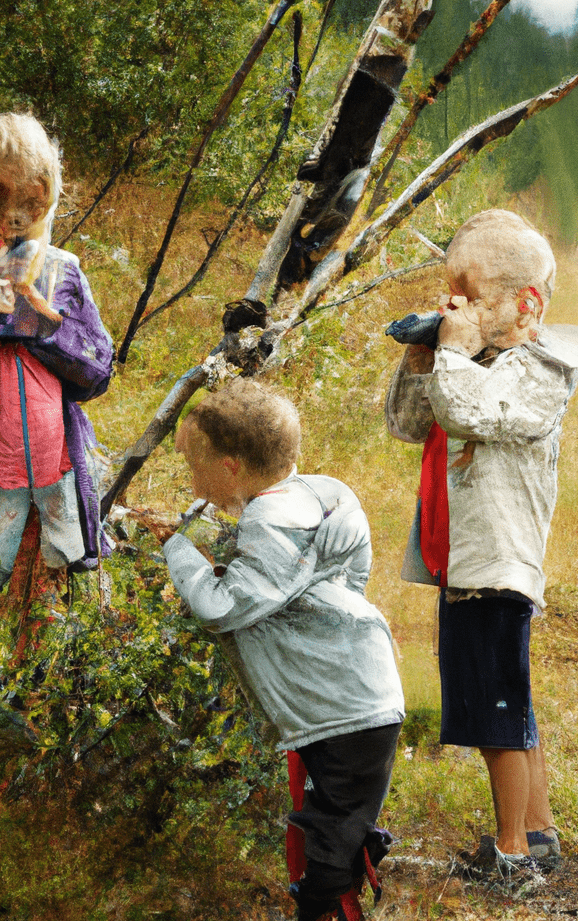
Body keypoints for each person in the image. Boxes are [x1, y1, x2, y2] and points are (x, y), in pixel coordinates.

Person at [385, 209, 578, 879]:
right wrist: (427, 354)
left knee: (497, 715)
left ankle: (511, 859)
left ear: (526, 305)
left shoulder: (539, 370)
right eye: (453, 296)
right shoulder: (474, 359)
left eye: (471, 299)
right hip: (462, 562)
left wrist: (452, 352)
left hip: (499, 566)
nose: (457, 310)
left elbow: (472, 412)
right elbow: (408, 422)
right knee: (501, 701)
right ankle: (537, 834)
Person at [163, 379, 405, 921]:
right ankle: (336, 885)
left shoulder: (271, 519)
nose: (190, 481)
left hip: (343, 710)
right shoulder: (324, 492)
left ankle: (329, 905)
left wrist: (177, 549)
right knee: (326, 827)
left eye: (192, 466)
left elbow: (223, 606)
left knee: (328, 845)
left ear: (228, 467)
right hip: (354, 697)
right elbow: (350, 577)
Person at [0, 112, 112, 661]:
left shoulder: (61, 270)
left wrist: (44, 326)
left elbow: (98, 370)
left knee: (45, 593)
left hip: (52, 472)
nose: (12, 218)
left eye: (31, 202)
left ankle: (37, 696)